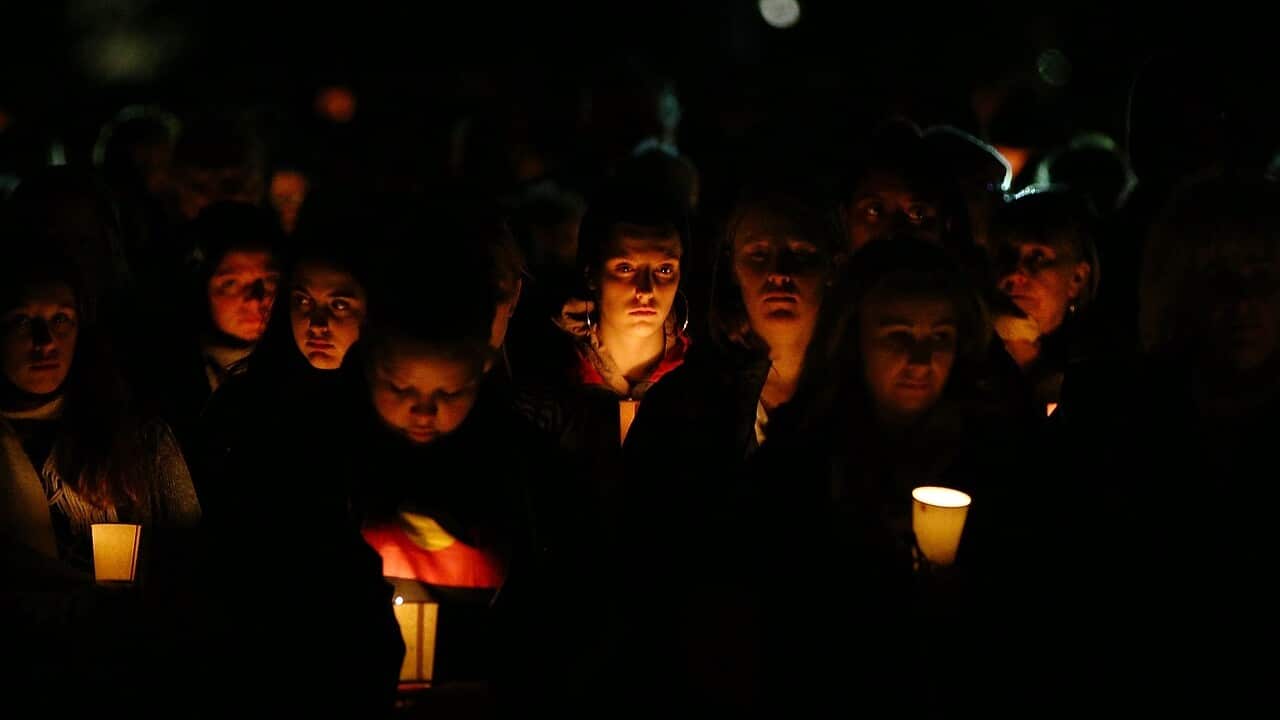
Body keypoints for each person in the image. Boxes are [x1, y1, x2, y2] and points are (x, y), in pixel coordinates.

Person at [613, 184, 846, 712]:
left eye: (801, 254)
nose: (779, 273)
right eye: (758, 256)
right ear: (732, 270)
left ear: (834, 268)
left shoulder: (860, 399)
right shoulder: (685, 406)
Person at [1, 247, 202, 711]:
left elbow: (194, 557)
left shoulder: (139, 441)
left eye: (61, 320)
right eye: (21, 321)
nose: (44, 341)